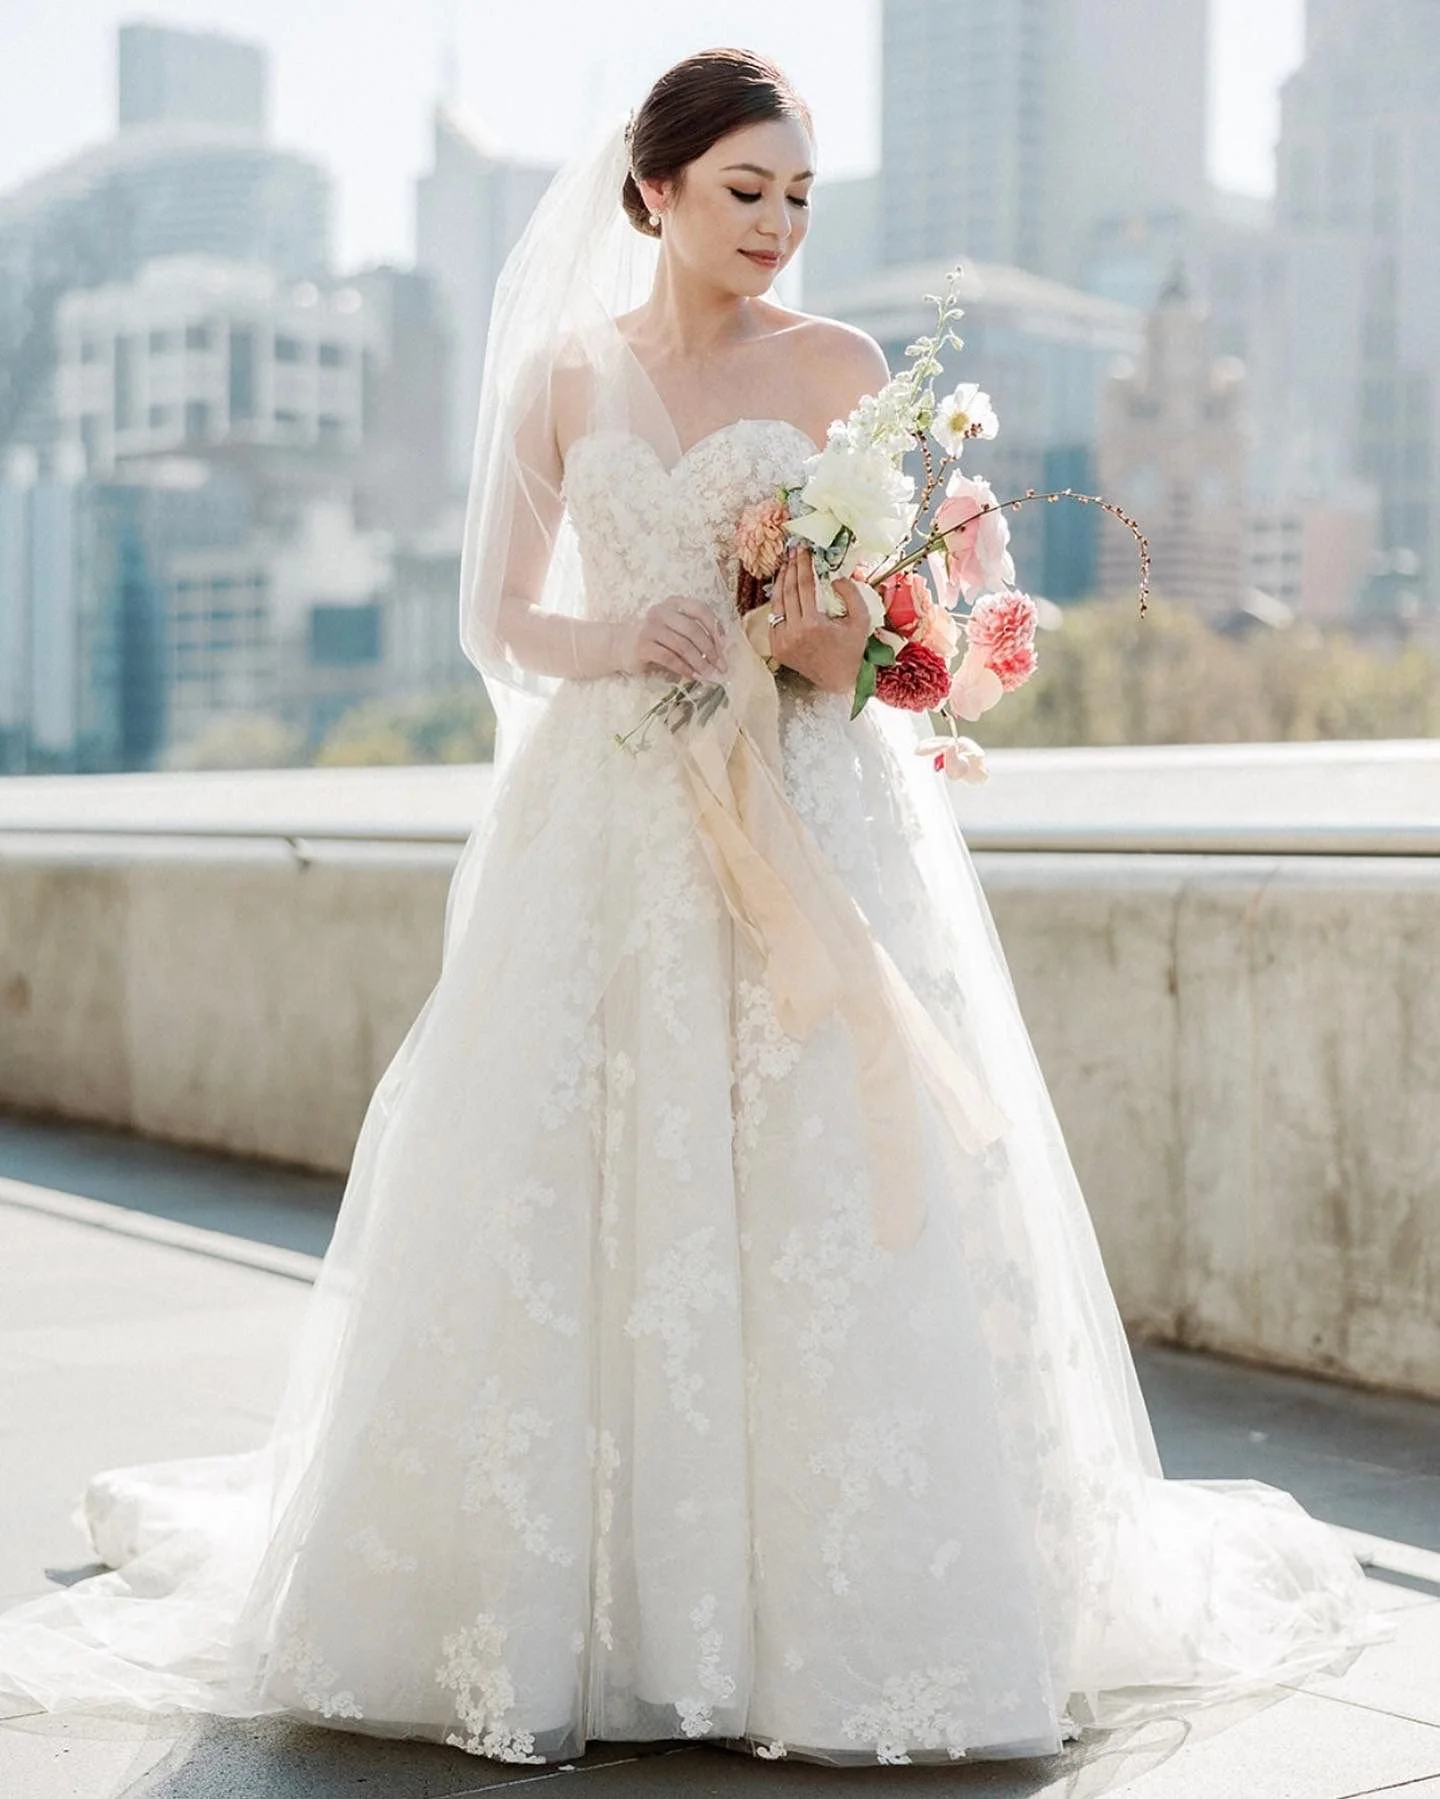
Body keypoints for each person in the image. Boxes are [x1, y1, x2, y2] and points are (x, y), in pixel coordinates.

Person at [0, 47, 1392, 1771]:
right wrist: (629, 635)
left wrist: (830, 636)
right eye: (747, 191)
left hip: (809, 805)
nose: (780, 228)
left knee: (827, 1165)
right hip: (607, 812)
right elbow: (509, 616)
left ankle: (843, 1595)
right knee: (577, 1172)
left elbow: (900, 637)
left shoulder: (844, 369)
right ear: (651, 191)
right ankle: (597, 1600)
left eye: (801, 195)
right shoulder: (566, 377)